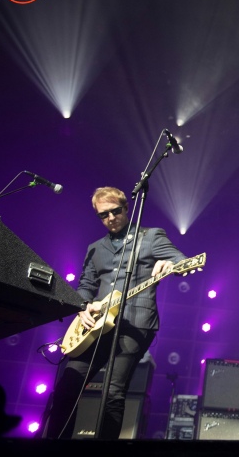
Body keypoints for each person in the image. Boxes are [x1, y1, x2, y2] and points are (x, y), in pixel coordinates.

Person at [42, 187, 187, 439]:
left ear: (126, 208)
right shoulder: (95, 248)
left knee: (112, 392)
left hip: (136, 323)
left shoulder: (150, 236)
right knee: (67, 386)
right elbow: (86, 285)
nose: (110, 218)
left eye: (115, 211)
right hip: (97, 324)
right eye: (103, 215)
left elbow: (179, 259)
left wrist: (172, 264)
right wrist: (83, 307)